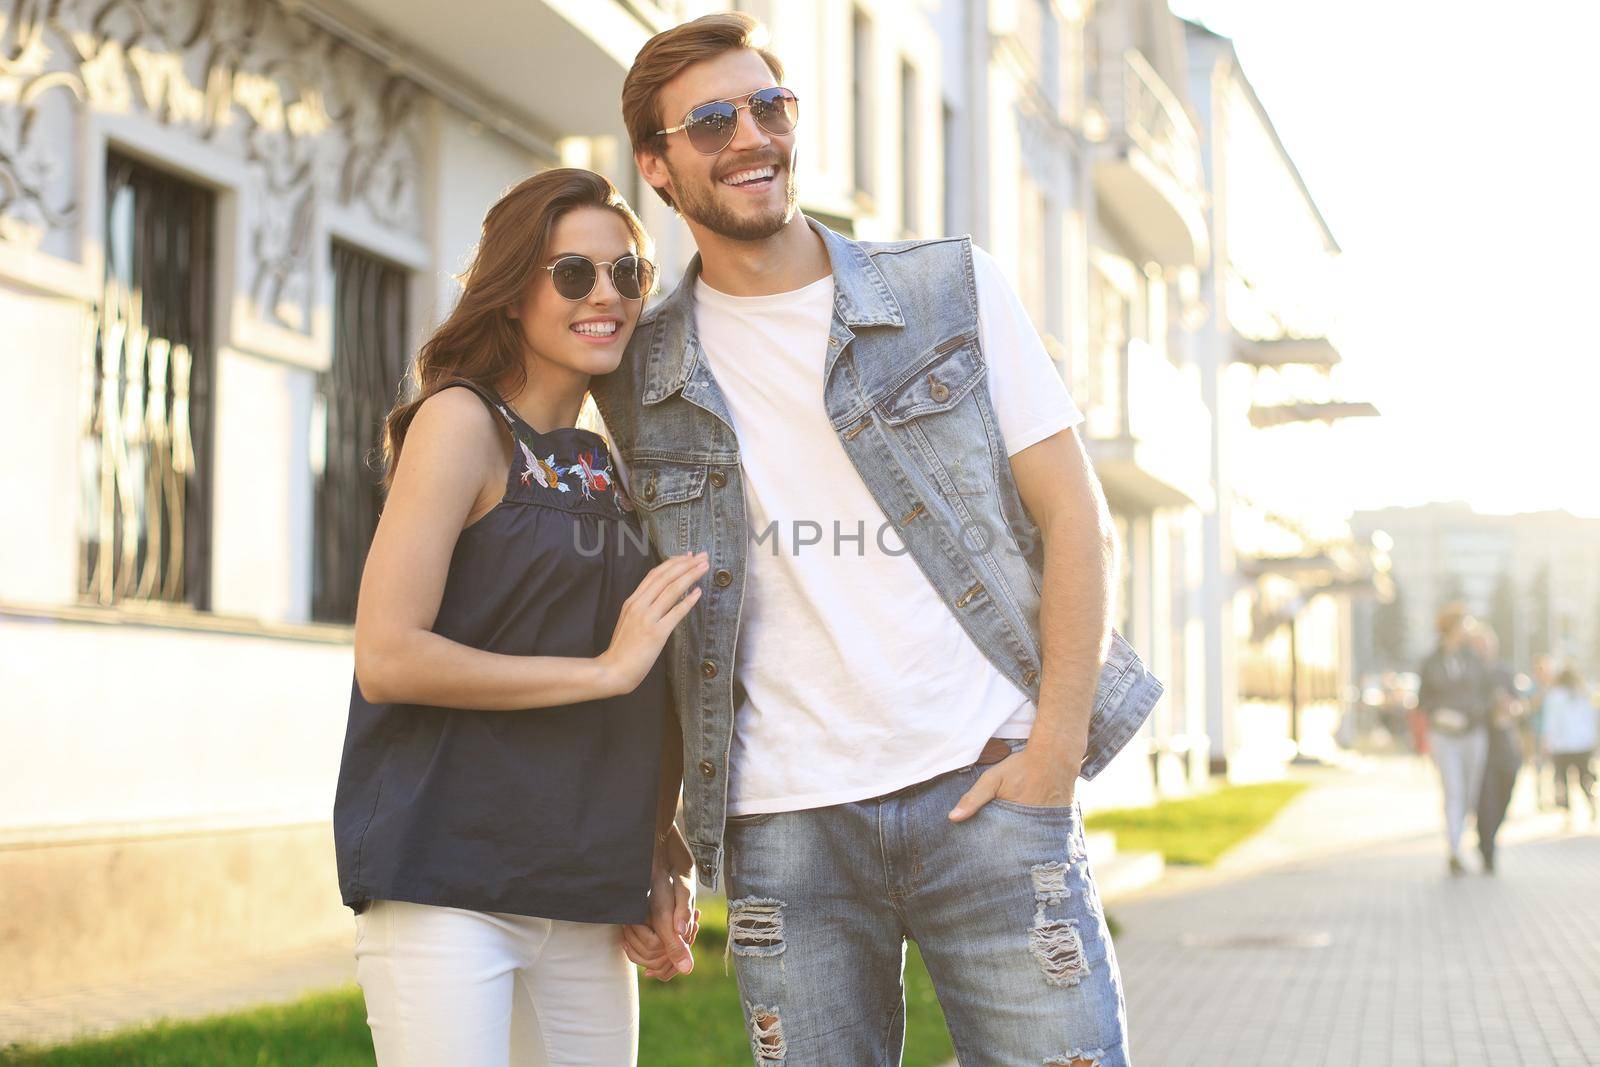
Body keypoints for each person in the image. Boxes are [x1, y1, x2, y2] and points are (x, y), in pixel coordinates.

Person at [592, 14, 1163, 1066]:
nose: (752, 136)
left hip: (985, 786)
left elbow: (1074, 515)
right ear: (656, 166)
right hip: (782, 826)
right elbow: (671, 619)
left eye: (771, 106)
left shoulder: (945, 289)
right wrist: (656, 825)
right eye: (711, 121)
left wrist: (1053, 750)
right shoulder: (636, 374)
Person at [331, 169, 707, 1065]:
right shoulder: (463, 424)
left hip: (586, 885)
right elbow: (388, 656)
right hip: (449, 879)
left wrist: (660, 844)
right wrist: (602, 671)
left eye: (629, 275)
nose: (606, 296)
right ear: (512, 290)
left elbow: (653, 680)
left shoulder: (623, 467)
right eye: (572, 273)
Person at [1415, 604, 1491, 875]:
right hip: (1444, 735)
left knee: (1470, 792)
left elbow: (1486, 692)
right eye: (1464, 625)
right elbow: (1423, 698)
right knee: (1453, 790)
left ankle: (1463, 839)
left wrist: (1473, 714)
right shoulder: (1431, 661)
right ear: (1451, 628)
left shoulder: (1474, 659)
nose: (1467, 630)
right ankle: (1454, 849)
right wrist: (1440, 714)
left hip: (1473, 733)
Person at [1469, 625, 1521, 872]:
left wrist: (1510, 708)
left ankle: (1489, 836)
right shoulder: (1471, 673)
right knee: (1485, 799)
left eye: (1487, 645)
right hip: (1480, 741)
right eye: (1479, 645)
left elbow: (1517, 703)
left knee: (1506, 789)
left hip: (1505, 740)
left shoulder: (1504, 671)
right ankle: (1487, 847)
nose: (1484, 650)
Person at [1540, 665, 1598, 824]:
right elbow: (1593, 718)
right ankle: (1591, 800)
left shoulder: (1554, 696)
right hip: (1582, 744)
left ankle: (1567, 812)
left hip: (1561, 745)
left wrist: (1546, 741)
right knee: (1584, 776)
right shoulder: (1584, 694)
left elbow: (1550, 721)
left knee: (1561, 779)